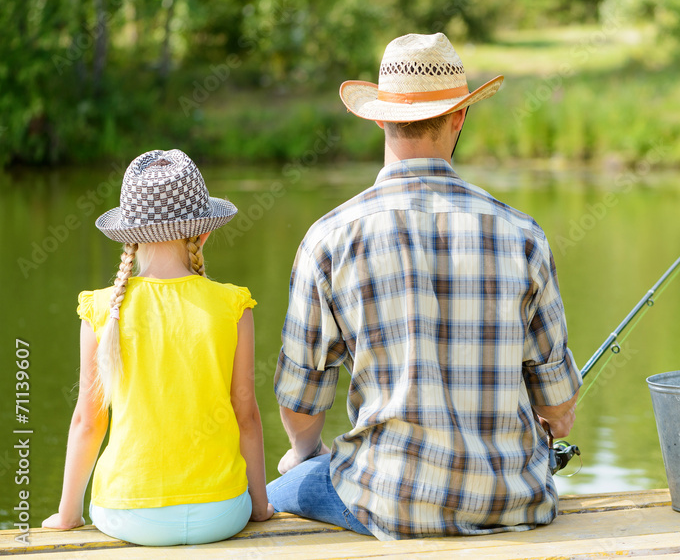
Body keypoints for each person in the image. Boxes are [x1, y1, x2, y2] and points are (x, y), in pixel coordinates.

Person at [267, 33, 583, 540]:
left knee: (274, 490)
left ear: (378, 117)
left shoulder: (329, 238)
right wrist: (549, 419)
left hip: (385, 502)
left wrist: (306, 453)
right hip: (513, 501)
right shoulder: (523, 235)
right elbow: (558, 410)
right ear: (458, 117)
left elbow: (301, 397)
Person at [42, 149, 273, 545]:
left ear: (130, 236)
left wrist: (67, 515)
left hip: (126, 514)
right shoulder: (233, 306)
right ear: (203, 232)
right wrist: (259, 506)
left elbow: (88, 421)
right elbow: (246, 413)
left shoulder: (101, 309)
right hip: (220, 513)